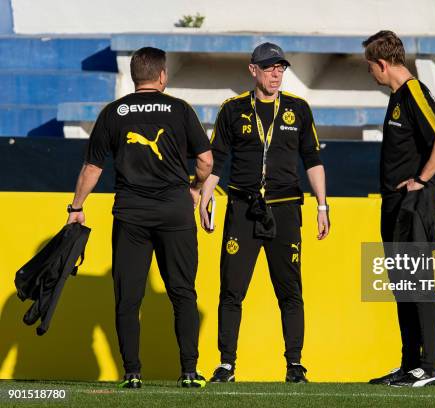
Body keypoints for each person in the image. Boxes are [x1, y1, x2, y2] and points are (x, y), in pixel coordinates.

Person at [66, 47, 213, 389]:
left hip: (131, 214)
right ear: (162, 76)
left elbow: (92, 167)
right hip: (175, 211)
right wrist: (194, 188)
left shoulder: (113, 113)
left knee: (128, 298)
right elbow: (205, 160)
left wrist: (76, 207)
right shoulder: (180, 110)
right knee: (182, 292)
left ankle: (132, 373)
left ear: (135, 77)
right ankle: (189, 372)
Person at [199, 42, 330, 383]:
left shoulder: (299, 109)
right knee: (231, 289)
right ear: (253, 69)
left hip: (285, 209)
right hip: (242, 208)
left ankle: (295, 365)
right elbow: (217, 160)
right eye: (270, 67)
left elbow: (313, 160)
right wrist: (204, 197)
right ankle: (226, 364)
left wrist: (322, 205)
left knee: (289, 290)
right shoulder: (232, 109)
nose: (276, 73)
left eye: (281, 67)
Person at [363, 31, 435, 387]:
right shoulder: (398, 96)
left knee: (418, 285)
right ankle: (409, 365)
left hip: (412, 203)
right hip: (394, 204)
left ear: (382, 64)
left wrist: (421, 178)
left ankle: (429, 368)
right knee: (403, 285)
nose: (369, 74)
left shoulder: (414, 91)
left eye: (369, 67)